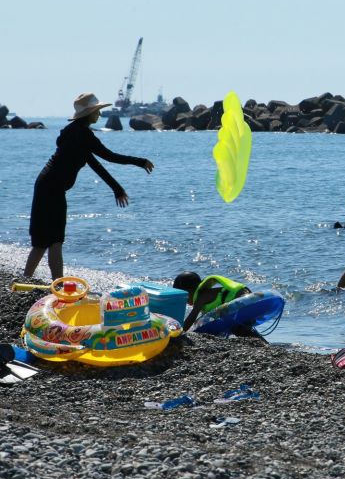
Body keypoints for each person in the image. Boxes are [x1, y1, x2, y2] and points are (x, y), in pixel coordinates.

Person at [24, 93, 154, 280]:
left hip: (45, 185)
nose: (99, 115)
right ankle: (58, 285)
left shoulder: (74, 131)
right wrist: (140, 162)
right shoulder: (83, 134)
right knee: (55, 240)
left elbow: (95, 164)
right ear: (89, 113)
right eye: (97, 111)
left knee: (42, 241)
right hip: (52, 189)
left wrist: (116, 188)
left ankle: (26, 280)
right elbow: (109, 156)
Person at [173, 272, 267, 343]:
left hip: (242, 298)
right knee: (243, 329)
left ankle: (261, 344)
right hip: (246, 295)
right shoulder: (207, 294)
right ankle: (263, 344)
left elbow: (192, 317)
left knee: (238, 329)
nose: (184, 300)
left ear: (189, 291)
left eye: (184, 296)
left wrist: (181, 332)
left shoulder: (201, 297)